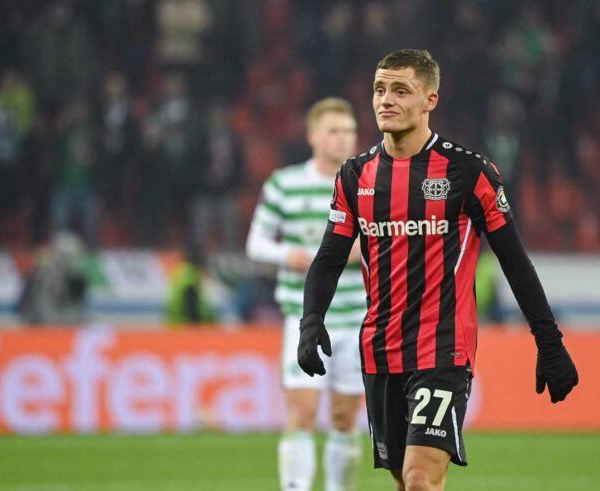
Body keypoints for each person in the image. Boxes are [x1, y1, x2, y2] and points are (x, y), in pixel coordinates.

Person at [298, 49, 579, 491]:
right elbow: (329, 259)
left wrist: (549, 341)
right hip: (380, 347)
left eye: (400, 90)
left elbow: (514, 261)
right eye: (379, 89)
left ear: (430, 99)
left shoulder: (468, 172)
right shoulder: (354, 176)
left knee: (419, 478)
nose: (384, 100)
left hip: (443, 347)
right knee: (403, 479)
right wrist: (311, 319)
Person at [246, 98, 367, 491]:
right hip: (303, 318)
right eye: (333, 130)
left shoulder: (369, 182)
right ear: (313, 136)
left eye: (348, 130)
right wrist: (289, 255)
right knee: (301, 411)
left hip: (356, 318)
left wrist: (355, 251)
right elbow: (256, 243)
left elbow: (387, 240)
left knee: (346, 419)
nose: (343, 138)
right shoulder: (284, 183)